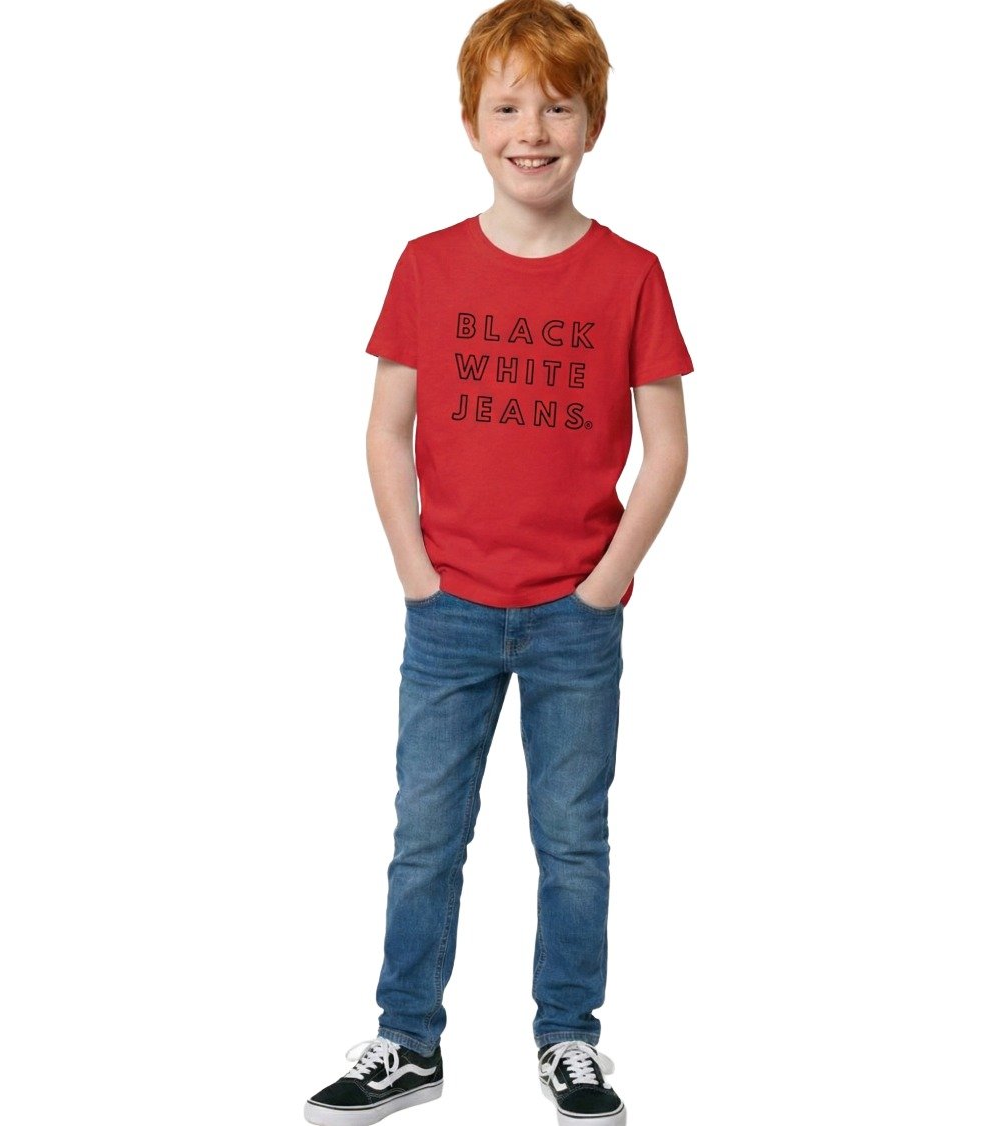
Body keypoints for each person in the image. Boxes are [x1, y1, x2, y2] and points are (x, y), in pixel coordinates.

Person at [304, 1, 693, 1123]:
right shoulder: (427, 266)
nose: (533, 128)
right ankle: (405, 1038)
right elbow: (385, 427)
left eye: (557, 106)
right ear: (471, 123)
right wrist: (414, 570)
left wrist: (609, 576)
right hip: (450, 608)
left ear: (592, 123)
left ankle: (569, 1035)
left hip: (578, 610)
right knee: (425, 830)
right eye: (507, 106)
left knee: (572, 835)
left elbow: (667, 446)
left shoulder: (629, 273)